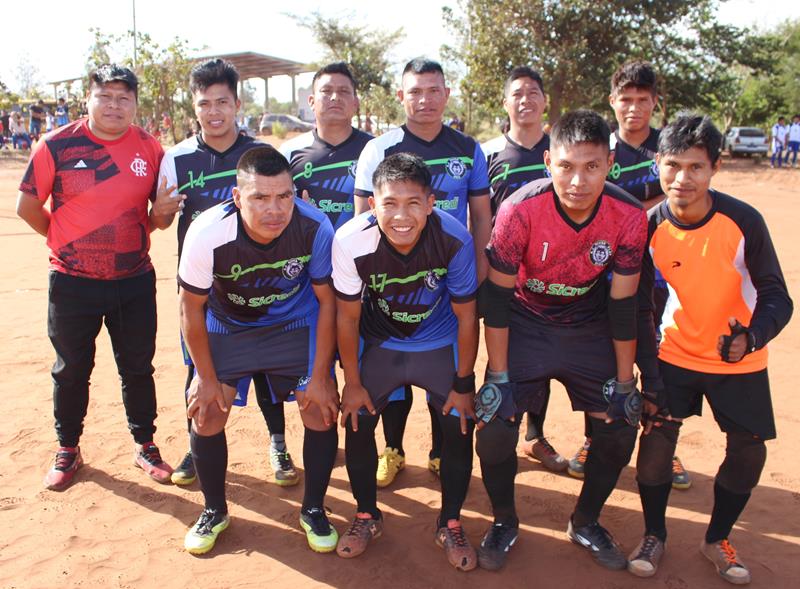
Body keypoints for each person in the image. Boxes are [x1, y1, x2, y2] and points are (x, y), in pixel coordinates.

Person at [478, 110, 651, 571]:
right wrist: (497, 375)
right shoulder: (518, 209)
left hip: (588, 325)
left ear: (610, 163)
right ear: (547, 161)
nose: (578, 180)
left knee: (618, 428)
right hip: (525, 321)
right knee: (495, 427)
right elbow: (495, 299)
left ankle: (586, 521)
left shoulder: (629, 215)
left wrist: (624, 382)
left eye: (591, 166)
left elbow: (623, 305)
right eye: (567, 166)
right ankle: (505, 521)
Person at [629, 113, 792, 583]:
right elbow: (639, 305)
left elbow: (777, 295)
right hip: (674, 353)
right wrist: (645, 366)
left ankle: (716, 537)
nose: (683, 178)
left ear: (715, 167)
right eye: (673, 165)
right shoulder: (649, 227)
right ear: (658, 163)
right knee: (658, 439)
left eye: (696, 167)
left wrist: (751, 337)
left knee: (749, 450)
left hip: (737, 358)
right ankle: (654, 533)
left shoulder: (743, 222)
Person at [15, 64, 180, 491]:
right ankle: (68, 448)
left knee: (138, 368)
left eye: (123, 98)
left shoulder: (151, 150)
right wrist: (63, 238)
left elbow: (158, 220)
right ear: (88, 99)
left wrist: (161, 215)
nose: (114, 105)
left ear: (135, 104)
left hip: (133, 280)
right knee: (71, 370)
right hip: (72, 282)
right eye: (105, 96)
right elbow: (27, 207)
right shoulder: (55, 145)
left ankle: (145, 443)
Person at [178, 145, 339, 555]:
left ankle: (314, 509)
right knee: (208, 409)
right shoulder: (207, 232)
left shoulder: (315, 226)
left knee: (319, 406)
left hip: (293, 326)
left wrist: (321, 377)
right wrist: (205, 376)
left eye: (284, 196)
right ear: (236, 197)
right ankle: (215, 510)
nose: (275, 209)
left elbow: (328, 303)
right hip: (228, 327)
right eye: (260, 198)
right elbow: (189, 308)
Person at [333, 152, 479, 569]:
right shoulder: (350, 240)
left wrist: (464, 383)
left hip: (437, 344)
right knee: (358, 420)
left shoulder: (454, 238)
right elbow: (347, 315)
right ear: (372, 203)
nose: (401, 216)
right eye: (390, 204)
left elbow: (468, 315)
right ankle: (366, 515)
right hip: (380, 345)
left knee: (458, 422)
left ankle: (450, 522)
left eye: (413, 203)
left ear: (431, 203)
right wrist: (353, 381)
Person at [158, 59, 298, 488]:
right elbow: (162, 221)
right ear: (194, 107)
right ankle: (194, 447)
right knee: (199, 371)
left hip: (263, 286)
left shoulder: (262, 156)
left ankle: (278, 444)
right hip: (205, 294)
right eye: (205, 103)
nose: (214, 111)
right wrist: (159, 214)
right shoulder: (176, 159)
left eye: (222, 102)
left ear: (237, 103)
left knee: (267, 375)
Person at [353, 58, 491, 487]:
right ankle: (392, 450)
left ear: (447, 95)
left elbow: (481, 216)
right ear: (401, 96)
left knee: (443, 370)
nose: (425, 99)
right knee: (392, 379)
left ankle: (437, 451)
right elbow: (363, 218)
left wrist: (480, 267)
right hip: (391, 285)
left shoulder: (468, 149)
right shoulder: (379, 149)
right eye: (415, 91)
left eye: (434, 90)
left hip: (447, 281)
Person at [568, 60, 692, 491]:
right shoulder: (600, 149)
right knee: (603, 362)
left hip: (659, 277)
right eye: (626, 100)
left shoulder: (669, 147)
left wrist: (631, 205)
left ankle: (663, 446)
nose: (634, 109)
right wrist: (646, 198)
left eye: (643, 100)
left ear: (655, 103)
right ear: (612, 101)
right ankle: (591, 439)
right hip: (601, 277)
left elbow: (684, 198)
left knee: (659, 360)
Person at [481, 66, 568, 474]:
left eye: (534, 92)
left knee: (546, 357)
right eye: (517, 93)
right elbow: (479, 215)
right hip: (506, 276)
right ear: (505, 102)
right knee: (504, 353)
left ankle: (536, 435)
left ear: (544, 101)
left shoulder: (562, 150)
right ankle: (502, 429)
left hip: (558, 277)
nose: (526, 100)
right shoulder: (488, 154)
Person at [280, 62, 372, 232]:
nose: (335, 97)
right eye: (326, 91)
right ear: (312, 101)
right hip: (307, 254)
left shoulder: (375, 149)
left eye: (344, 91)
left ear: (355, 102)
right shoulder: (288, 152)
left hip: (362, 254)